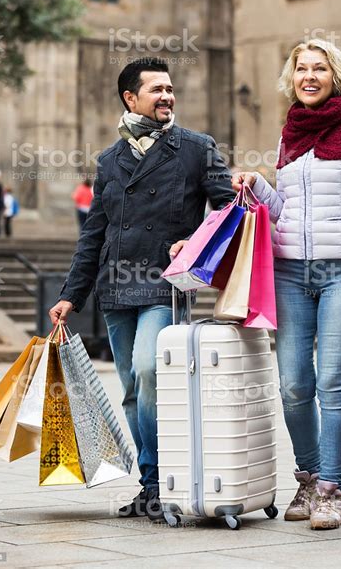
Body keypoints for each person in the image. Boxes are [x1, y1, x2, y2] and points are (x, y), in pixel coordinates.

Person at [48, 57, 234, 520]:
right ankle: (152, 482)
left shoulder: (196, 148)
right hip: (116, 287)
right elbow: (94, 231)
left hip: (164, 284)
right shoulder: (109, 161)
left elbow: (228, 210)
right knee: (132, 388)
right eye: (157, 89)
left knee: (151, 371)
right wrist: (72, 293)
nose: (167, 96)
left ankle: (168, 477)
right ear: (131, 98)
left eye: (170, 89)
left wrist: (195, 243)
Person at [232, 39, 341, 530]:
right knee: (293, 385)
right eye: (301, 68)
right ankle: (305, 476)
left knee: (331, 382)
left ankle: (330, 487)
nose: (309, 76)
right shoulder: (291, 133)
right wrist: (259, 187)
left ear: (335, 75)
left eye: (319, 68)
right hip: (289, 271)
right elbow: (285, 212)